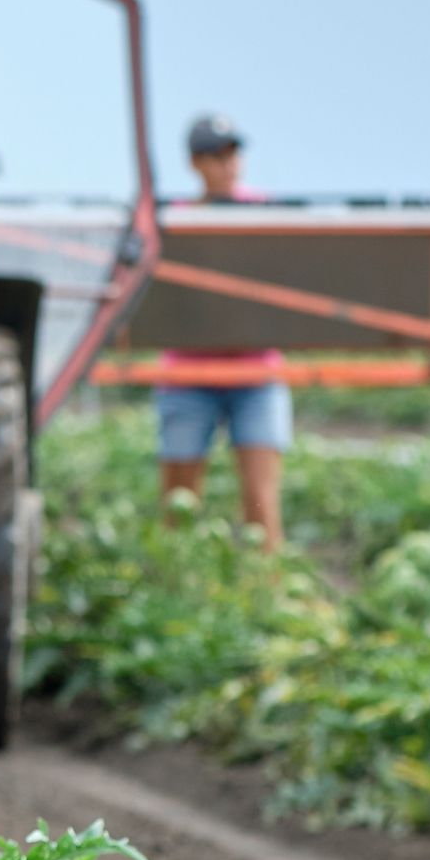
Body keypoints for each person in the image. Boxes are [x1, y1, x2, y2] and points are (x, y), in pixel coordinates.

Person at [154, 113, 288, 551]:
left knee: (261, 503)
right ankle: (178, 593)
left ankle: (265, 597)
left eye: (232, 154)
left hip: (255, 374)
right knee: (179, 504)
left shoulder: (268, 215)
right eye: (216, 156)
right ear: (195, 163)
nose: (228, 164)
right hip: (188, 376)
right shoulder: (175, 220)